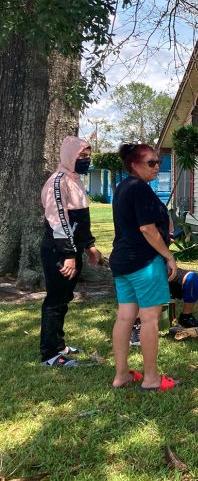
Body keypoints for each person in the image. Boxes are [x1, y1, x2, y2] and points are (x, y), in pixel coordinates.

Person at [109, 143, 179, 390]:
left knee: (125, 317)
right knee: (149, 319)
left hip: (122, 262)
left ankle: (122, 375)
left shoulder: (123, 187)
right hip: (144, 263)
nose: (157, 167)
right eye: (151, 163)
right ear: (134, 165)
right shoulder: (139, 189)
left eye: (158, 162)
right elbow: (147, 229)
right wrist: (168, 256)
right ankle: (151, 378)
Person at [39, 137, 102, 366]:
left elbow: (80, 221)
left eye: (88, 156)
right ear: (69, 156)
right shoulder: (58, 182)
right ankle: (50, 354)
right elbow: (59, 222)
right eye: (81, 156)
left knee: (64, 298)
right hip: (58, 252)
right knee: (55, 301)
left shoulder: (75, 180)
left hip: (72, 250)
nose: (86, 160)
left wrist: (90, 246)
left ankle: (59, 344)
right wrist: (68, 255)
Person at [129, 267, 198, 347]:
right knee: (149, 279)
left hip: (162, 267)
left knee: (192, 279)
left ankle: (186, 317)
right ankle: (137, 324)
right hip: (141, 271)